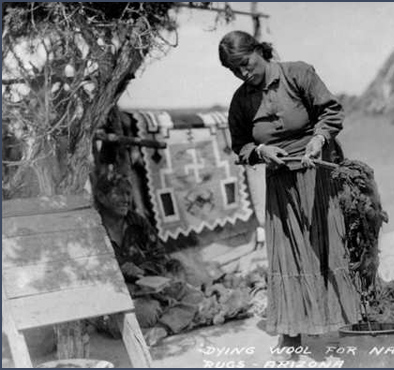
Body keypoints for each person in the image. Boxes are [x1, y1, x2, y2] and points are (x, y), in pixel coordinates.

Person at [218, 30, 361, 360]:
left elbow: (330, 110)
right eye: (234, 70)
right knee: (287, 255)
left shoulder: (298, 73)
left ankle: (345, 328)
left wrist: (318, 139)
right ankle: (291, 335)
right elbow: (240, 146)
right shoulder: (241, 101)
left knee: (329, 247)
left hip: (318, 172)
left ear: (259, 51)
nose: (243, 73)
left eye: (245, 64)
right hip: (281, 184)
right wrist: (262, 151)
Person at [94, 172, 205, 345]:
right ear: (101, 197)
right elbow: (91, 276)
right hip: (122, 298)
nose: (126, 199)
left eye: (128, 193)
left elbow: (160, 256)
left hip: (150, 288)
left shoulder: (137, 221)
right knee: (145, 312)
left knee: (195, 294)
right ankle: (169, 314)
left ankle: (162, 327)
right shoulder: (93, 230)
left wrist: (143, 271)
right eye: (119, 193)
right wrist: (120, 271)